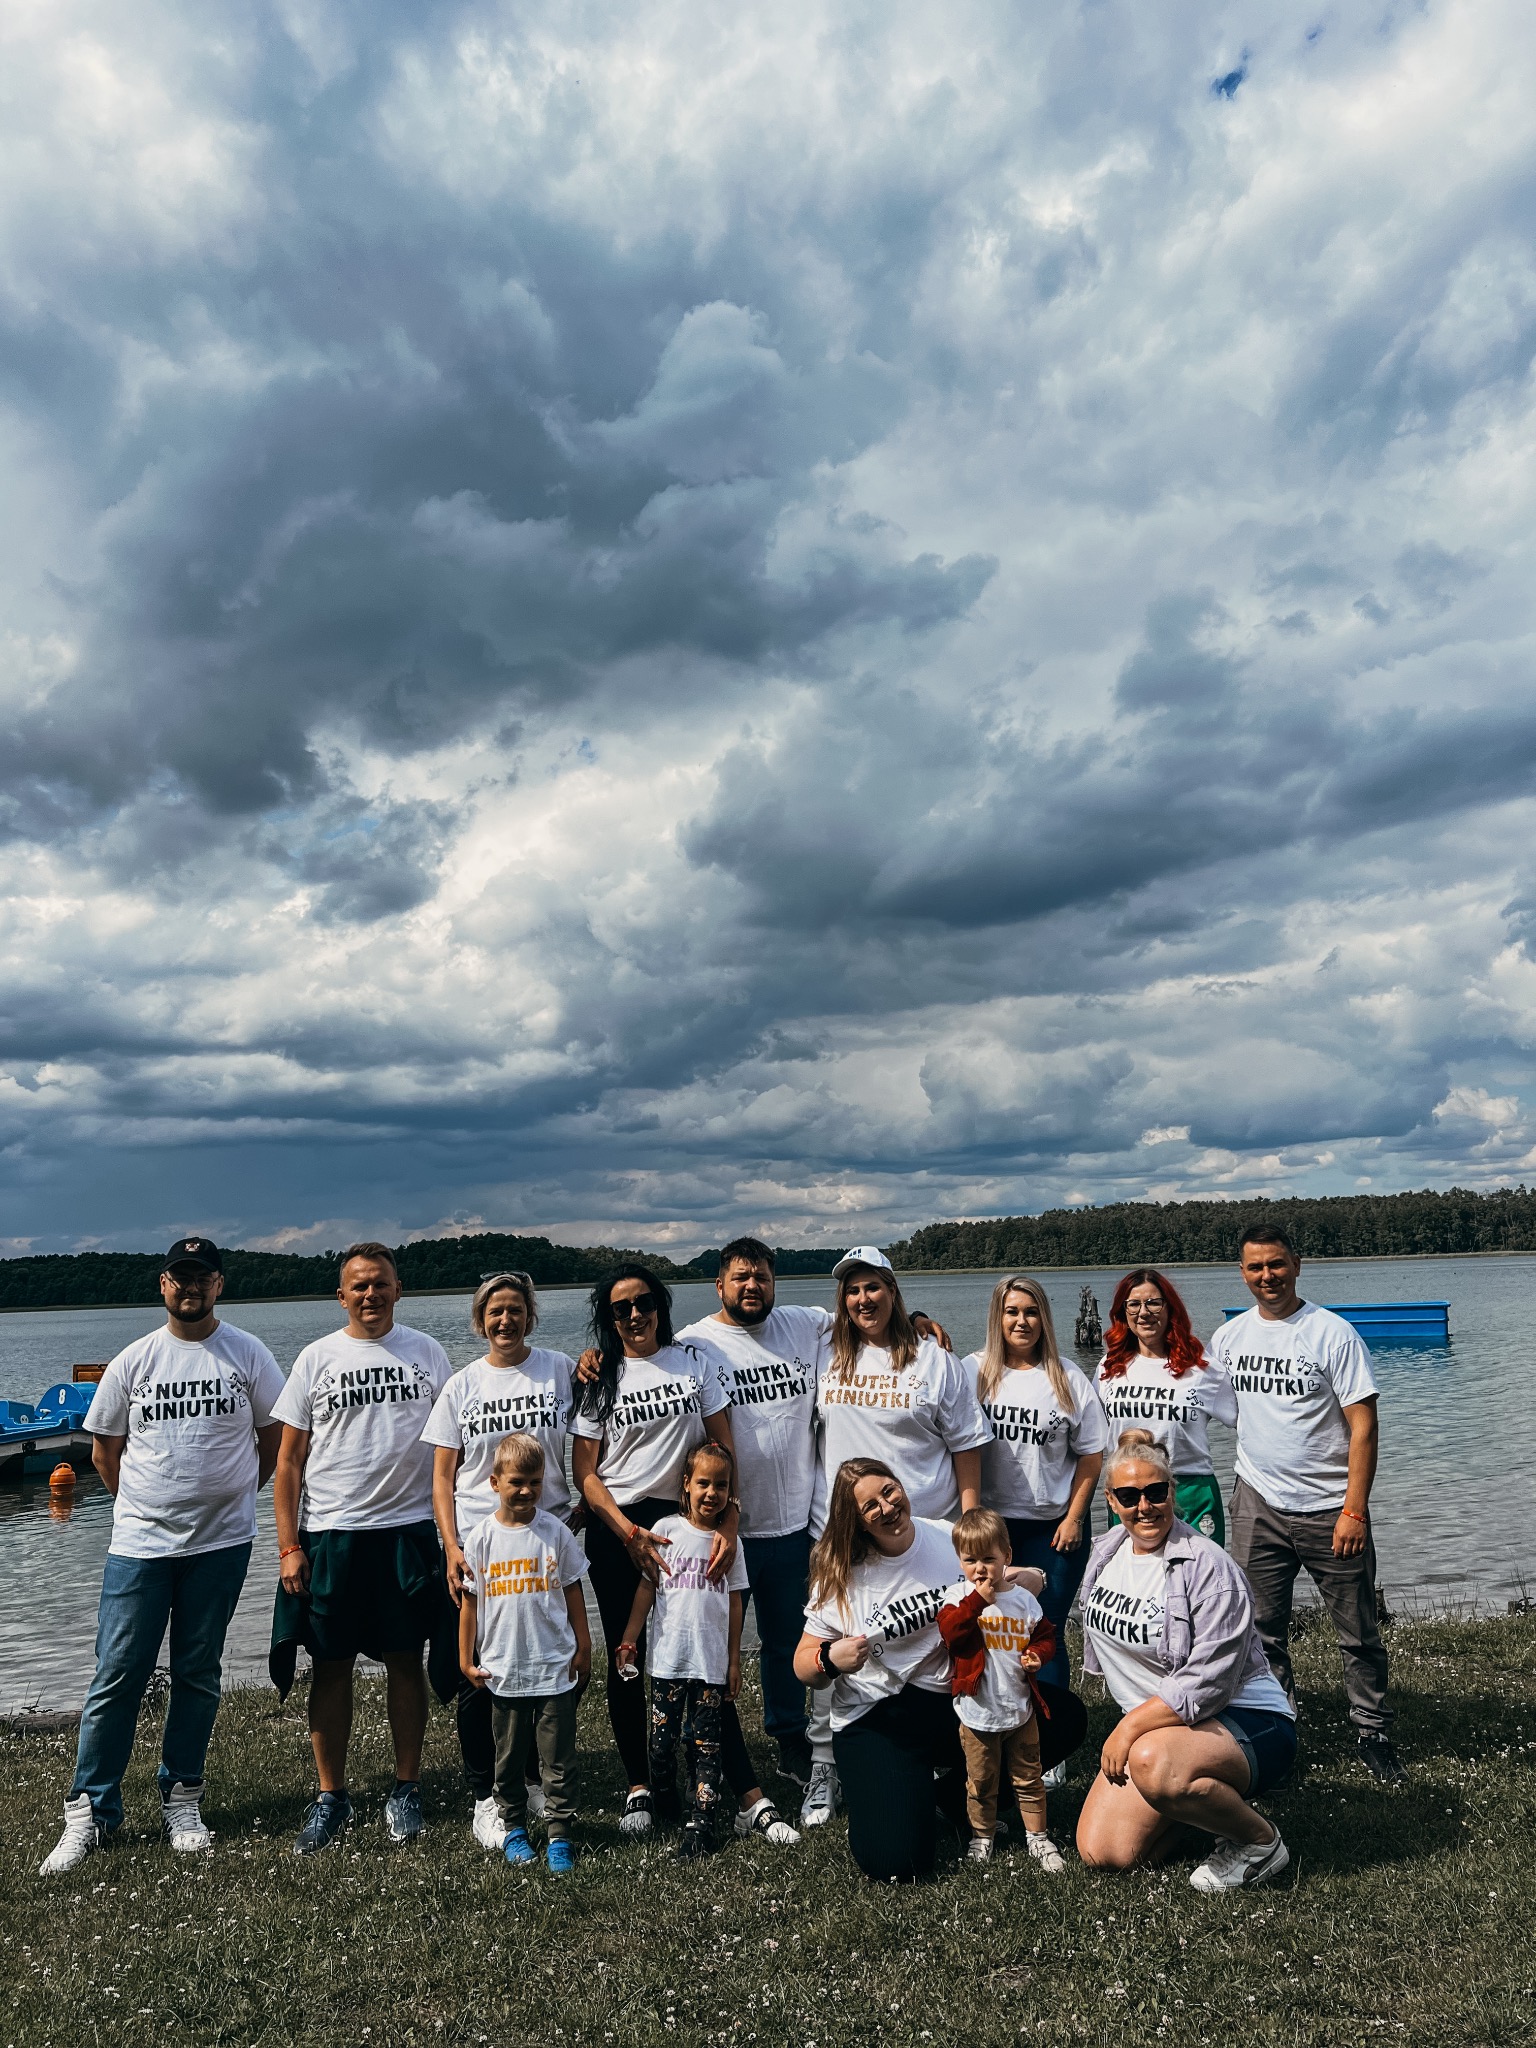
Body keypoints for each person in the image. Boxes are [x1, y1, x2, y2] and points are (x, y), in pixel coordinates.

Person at [39, 1238, 285, 1876]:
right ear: (163, 1285)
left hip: (222, 1544)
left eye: (203, 1277)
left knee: (198, 1673)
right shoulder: (134, 1361)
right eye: (181, 1277)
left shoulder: (248, 1354)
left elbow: (273, 1439)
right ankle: (91, 1812)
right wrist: (144, 1505)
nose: (191, 1287)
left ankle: (182, 1797)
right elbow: (103, 1452)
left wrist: (232, 1495)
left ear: (219, 1285)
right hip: (140, 1546)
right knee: (117, 1673)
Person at [271, 1242, 455, 1853]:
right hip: (332, 1534)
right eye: (358, 1286)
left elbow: (455, 1449)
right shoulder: (316, 1357)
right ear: (341, 1295)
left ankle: (406, 1787)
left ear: (398, 1290)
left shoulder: (427, 1352)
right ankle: (331, 1796)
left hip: (405, 1531)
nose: (370, 1295)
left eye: (380, 1284)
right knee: (331, 1664)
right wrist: (288, 1545)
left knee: (406, 1659)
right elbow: (289, 1461)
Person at [801, 1247, 991, 1829]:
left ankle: (944, 1752)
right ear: (842, 1300)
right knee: (837, 1646)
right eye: (853, 1290)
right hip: (839, 1532)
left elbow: (965, 1444)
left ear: (893, 1291)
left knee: (938, 1646)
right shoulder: (825, 1350)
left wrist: (969, 1522)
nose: (864, 1299)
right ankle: (823, 1764)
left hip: (920, 1529)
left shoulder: (935, 1362)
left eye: (874, 1287)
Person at [1210, 1223, 1403, 1783]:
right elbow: (1188, 1394)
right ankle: (1279, 1723)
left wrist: (1354, 1509)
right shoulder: (1230, 1339)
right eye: (1255, 1267)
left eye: (1276, 1264)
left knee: (1357, 1628)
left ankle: (1372, 1730)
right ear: (1241, 1273)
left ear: (1297, 1264)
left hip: (1328, 1507)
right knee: (1259, 1627)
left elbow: (1363, 1427)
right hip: (1258, 1502)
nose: (1266, 1276)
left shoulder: (1331, 1334)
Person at [1075, 1430, 1296, 1890]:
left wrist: (1129, 1728)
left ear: (1172, 1492)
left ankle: (1259, 1843)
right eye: (1130, 1496)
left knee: (1154, 1763)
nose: (1145, 1506)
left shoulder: (1209, 1567)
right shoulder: (1105, 1553)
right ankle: (1199, 1808)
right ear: (1112, 1501)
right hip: (1166, 1733)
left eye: (1157, 1492)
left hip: (1248, 1721)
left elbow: (1208, 1683)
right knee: (1105, 1852)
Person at [424, 1271, 578, 1849]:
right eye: (495, 1312)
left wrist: (583, 1505)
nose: (505, 1320)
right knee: (480, 1671)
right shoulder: (462, 1385)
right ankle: (486, 1794)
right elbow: (442, 1476)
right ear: (480, 1321)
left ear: (530, 1316)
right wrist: (452, 1545)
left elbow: (594, 1434)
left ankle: (535, 1781)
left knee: (540, 1655)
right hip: (479, 1546)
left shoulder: (561, 1369)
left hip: (545, 1541)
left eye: (515, 1310)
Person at [794, 1460, 973, 1881]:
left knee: (1063, 1720)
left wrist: (1027, 1577)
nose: (887, 1508)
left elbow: (996, 1578)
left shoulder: (948, 1538)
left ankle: (949, 1794)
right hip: (876, 1717)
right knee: (897, 1863)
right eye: (869, 1506)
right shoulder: (842, 1572)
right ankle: (896, 1793)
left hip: (953, 1704)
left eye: (890, 1491)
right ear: (855, 1521)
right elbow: (802, 1662)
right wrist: (828, 1659)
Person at [961, 1274, 1104, 1714]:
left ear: (1044, 1317)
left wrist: (1075, 1517)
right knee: (990, 1628)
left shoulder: (1067, 1377)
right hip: (994, 1528)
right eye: (1012, 1312)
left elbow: (1092, 1454)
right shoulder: (973, 1371)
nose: (1022, 1321)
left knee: (1046, 1631)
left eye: (1031, 1311)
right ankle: (996, 1720)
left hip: (1053, 1530)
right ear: (997, 1317)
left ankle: (1051, 1730)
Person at [616, 1442, 760, 1857]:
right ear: (686, 1485)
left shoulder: (729, 1545)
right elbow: (647, 1589)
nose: (711, 1492)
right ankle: (664, 1794)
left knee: (706, 1750)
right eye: (703, 1483)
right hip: (667, 1663)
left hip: (710, 1666)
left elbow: (735, 1603)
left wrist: (734, 1660)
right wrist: (629, 1638)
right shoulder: (667, 1531)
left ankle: (702, 1826)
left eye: (721, 1485)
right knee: (660, 1748)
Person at [458, 1433, 590, 1875]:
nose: (526, 1490)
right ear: (494, 1482)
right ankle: (513, 1828)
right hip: (504, 1670)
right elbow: (470, 1605)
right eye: (516, 1481)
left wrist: (584, 1643)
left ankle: (558, 1835)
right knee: (509, 1758)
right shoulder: (480, 1539)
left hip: (553, 1665)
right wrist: (465, 1658)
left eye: (535, 1481)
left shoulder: (554, 1534)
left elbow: (573, 1591)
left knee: (558, 1759)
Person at [936, 1508, 1065, 1872]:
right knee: (980, 1781)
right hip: (977, 1713)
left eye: (989, 1559)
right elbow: (952, 1636)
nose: (980, 1569)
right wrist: (978, 1601)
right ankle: (982, 1836)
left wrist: (1038, 1656)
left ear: (1006, 1557)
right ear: (959, 1560)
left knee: (1029, 1777)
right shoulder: (958, 1598)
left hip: (1020, 1709)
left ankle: (1038, 1837)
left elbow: (1045, 1636)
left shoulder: (1023, 1600)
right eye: (970, 1559)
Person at [1095, 1267, 1237, 1543]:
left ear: (1170, 1308)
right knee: (1137, 1579)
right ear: (1122, 1312)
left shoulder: (1203, 1370)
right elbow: (1094, 1437)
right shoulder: (1108, 1368)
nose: (1144, 1312)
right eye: (1134, 1304)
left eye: (1153, 1303)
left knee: (1200, 1579)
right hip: (1130, 1491)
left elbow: (1247, 1421)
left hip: (1190, 1489)